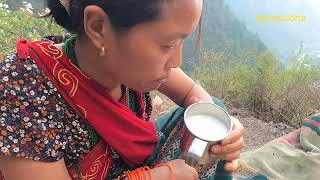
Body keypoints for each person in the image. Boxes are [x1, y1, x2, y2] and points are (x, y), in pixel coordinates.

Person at [0, 0, 245, 179]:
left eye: (182, 43)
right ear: (98, 28)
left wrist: (221, 131)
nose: (177, 61)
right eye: (168, 44)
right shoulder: (22, 87)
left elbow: (192, 94)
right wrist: (156, 177)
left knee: (211, 112)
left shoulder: (123, 61)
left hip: (128, 167)